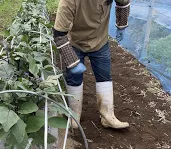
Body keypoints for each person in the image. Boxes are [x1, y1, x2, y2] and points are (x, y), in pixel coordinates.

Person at [53, 0, 131, 129]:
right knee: (74, 78)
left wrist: (121, 25)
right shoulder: (68, 2)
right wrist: (72, 62)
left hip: (100, 41)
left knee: (104, 76)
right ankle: (74, 116)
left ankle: (108, 116)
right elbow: (59, 35)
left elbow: (123, 2)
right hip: (76, 42)